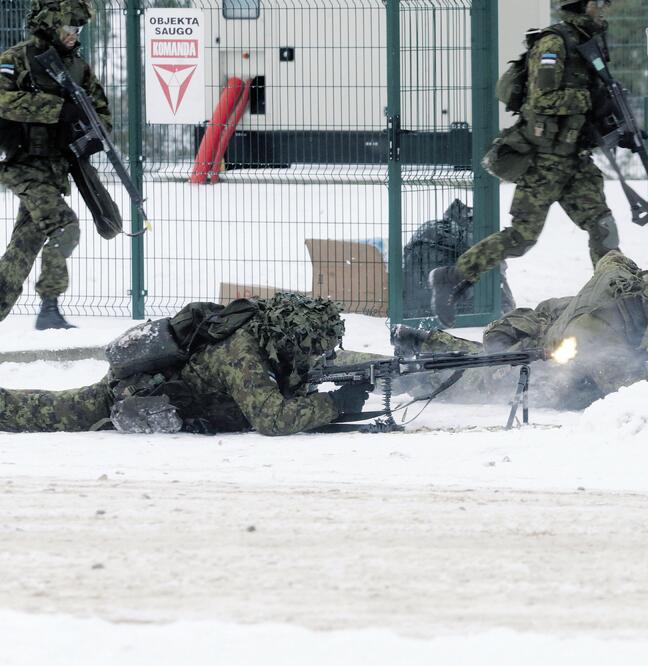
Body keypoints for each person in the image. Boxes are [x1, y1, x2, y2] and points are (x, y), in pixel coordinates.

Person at [429, 0, 621, 327]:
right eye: (599, 3)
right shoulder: (553, 43)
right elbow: (542, 99)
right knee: (521, 238)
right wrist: (586, 99)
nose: (604, 9)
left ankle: (609, 305)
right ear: (582, 4)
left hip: (574, 160)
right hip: (544, 161)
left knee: (603, 227)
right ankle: (452, 276)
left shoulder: (590, 43)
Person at [0, 293, 373, 435]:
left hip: (171, 391)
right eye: (314, 347)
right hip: (136, 392)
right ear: (293, 336)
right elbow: (272, 420)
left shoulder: (270, 336)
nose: (318, 354)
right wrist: (336, 404)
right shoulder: (242, 353)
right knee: (53, 411)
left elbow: (316, 368)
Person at [399, 250, 648, 410]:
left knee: (482, 361)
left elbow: (613, 258)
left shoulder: (617, 278)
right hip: (536, 371)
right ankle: (412, 361)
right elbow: (633, 392)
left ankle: (423, 344)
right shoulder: (600, 332)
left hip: (550, 329)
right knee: (465, 377)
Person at [0, 0, 110, 329]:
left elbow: (101, 114)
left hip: (54, 170)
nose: (74, 35)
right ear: (51, 25)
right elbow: (2, 99)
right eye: (68, 28)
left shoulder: (78, 68)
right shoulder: (17, 58)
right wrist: (55, 109)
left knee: (24, 246)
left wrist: (85, 131)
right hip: (22, 165)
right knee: (65, 227)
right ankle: (49, 305)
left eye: (79, 30)